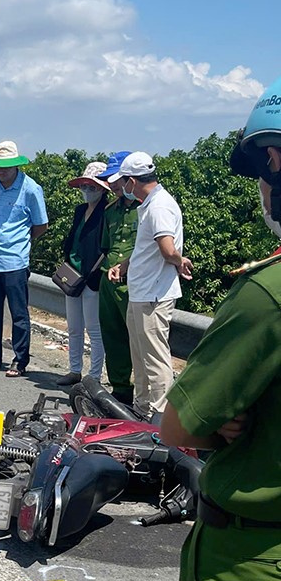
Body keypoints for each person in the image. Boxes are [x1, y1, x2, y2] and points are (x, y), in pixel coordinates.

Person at [160, 76, 281, 581]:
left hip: (254, 569)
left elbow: (180, 425)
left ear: (275, 160)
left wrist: (224, 421)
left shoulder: (268, 296)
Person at [106, 152, 192, 419]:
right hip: (142, 291)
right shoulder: (151, 204)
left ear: (132, 180)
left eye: (123, 183)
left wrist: (180, 260)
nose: (122, 189)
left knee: (154, 359)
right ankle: (142, 409)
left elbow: (166, 249)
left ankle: (160, 414)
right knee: (141, 357)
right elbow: (147, 249)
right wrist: (125, 266)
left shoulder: (158, 207)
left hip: (154, 294)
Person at [0, 141, 48, 377]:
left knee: (19, 314)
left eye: (6, 166)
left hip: (14, 260)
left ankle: (20, 360)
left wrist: (20, 241)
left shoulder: (31, 189)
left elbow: (41, 225)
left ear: (16, 165)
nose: (1, 171)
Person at [56, 161, 108, 386]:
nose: (87, 191)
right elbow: (73, 240)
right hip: (73, 274)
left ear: (103, 188)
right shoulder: (79, 211)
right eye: (84, 187)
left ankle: (94, 376)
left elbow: (105, 248)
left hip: (93, 277)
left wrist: (96, 273)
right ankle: (74, 370)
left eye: (92, 187)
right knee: (74, 327)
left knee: (94, 330)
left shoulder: (107, 212)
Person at [97, 151, 137, 405]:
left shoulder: (145, 209)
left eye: (115, 180)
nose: (111, 185)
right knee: (112, 336)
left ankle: (144, 392)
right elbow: (106, 247)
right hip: (108, 280)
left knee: (137, 338)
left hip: (134, 282)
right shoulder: (111, 211)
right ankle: (121, 388)